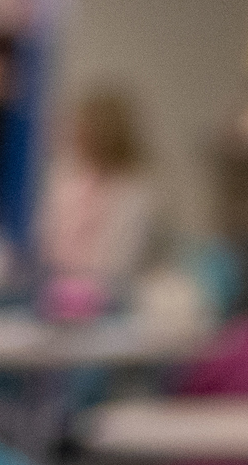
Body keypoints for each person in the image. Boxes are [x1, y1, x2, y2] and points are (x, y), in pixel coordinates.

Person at [36, 85, 161, 314]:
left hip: (110, 302)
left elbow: (121, 261)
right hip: (58, 293)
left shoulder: (134, 191)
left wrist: (85, 288)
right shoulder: (65, 178)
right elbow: (48, 242)